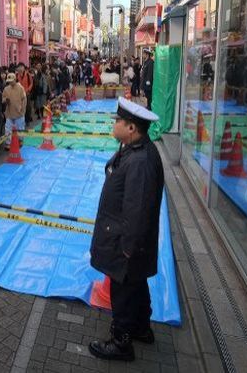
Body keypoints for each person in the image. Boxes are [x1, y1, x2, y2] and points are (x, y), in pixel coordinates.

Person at [89, 98, 164, 362]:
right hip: (124, 235)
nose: (114, 124)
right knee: (136, 281)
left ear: (131, 128)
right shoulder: (132, 149)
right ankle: (141, 327)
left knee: (123, 287)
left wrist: (128, 248)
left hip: (125, 239)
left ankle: (121, 341)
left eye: (118, 121)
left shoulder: (140, 161)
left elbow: (137, 209)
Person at [2, 72, 27, 148]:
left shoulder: (20, 88)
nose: (10, 82)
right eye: (9, 81)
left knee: (20, 127)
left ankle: (20, 140)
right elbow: (2, 99)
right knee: (8, 128)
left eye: (11, 80)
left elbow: (24, 99)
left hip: (19, 112)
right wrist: (5, 100)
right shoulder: (6, 89)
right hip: (9, 112)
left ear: (15, 80)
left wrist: (22, 109)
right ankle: (8, 143)